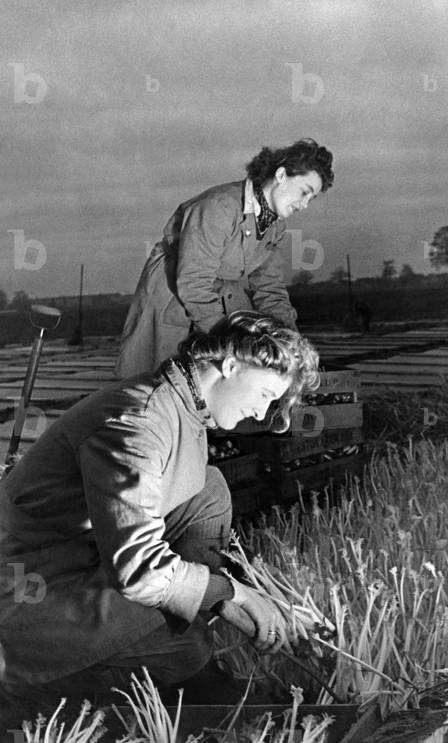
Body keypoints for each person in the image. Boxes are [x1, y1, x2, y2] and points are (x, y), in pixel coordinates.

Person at [0, 311, 320, 724]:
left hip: (78, 558)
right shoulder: (138, 424)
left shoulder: (179, 404)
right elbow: (137, 568)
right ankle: (28, 693)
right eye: (264, 395)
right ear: (230, 365)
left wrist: (224, 600)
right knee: (185, 651)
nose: (262, 415)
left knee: (207, 487)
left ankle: (171, 624)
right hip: (28, 592)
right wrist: (234, 594)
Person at [115, 138, 334, 378]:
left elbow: (269, 289)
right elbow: (193, 284)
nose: (304, 205)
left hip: (219, 297)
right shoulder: (219, 207)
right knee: (159, 384)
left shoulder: (274, 227)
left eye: (311, 200)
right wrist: (231, 343)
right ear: (281, 175)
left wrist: (292, 341)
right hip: (174, 295)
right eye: (305, 192)